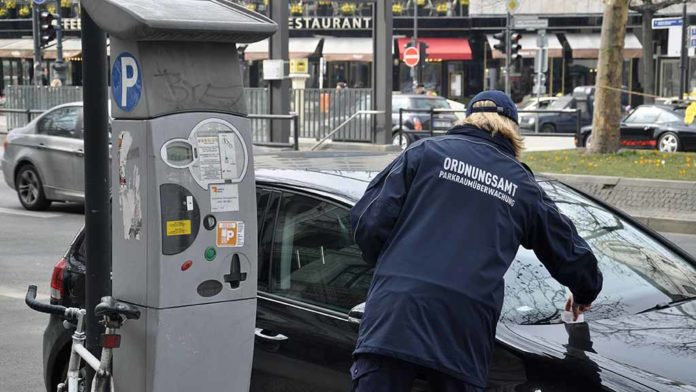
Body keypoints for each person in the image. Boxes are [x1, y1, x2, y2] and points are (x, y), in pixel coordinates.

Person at [350, 90, 603, 392]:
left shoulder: (425, 153)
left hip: (394, 319)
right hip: (462, 331)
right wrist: (585, 291)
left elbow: (367, 222)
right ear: (513, 130)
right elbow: (567, 250)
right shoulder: (521, 184)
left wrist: (393, 270)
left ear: (468, 119)